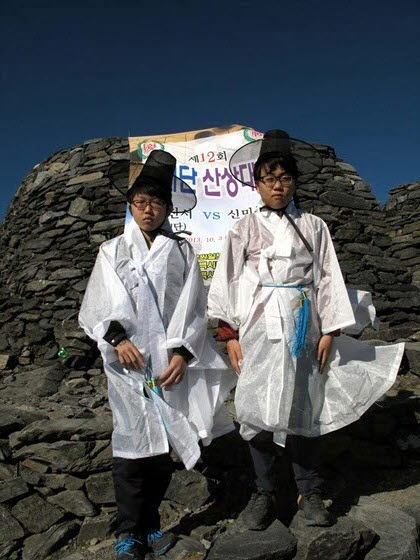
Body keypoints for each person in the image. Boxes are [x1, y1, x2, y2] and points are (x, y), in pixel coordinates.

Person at [208, 130, 404, 528]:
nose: (277, 186)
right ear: (257, 184)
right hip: (259, 328)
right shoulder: (244, 228)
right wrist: (229, 335)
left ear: (294, 182)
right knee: (256, 409)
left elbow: (328, 277)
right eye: (269, 179)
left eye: (284, 178)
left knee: (306, 406)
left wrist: (330, 330)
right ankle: (263, 492)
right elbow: (227, 280)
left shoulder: (314, 226)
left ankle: (309, 491)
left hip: (304, 325)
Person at [79, 150, 236, 559]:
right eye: (140, 202)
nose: (148, 210)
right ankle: (128, 531)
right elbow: (99, 303)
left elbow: (193, 305)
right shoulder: (112, 250)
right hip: (127, 364)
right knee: (131, 443)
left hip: (168, 363)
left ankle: (151, 526)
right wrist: (118, 340)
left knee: (162, 444)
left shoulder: (182, 251)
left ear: (167, 208)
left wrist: (183, 353)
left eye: (156, 203)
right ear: (131, 206)